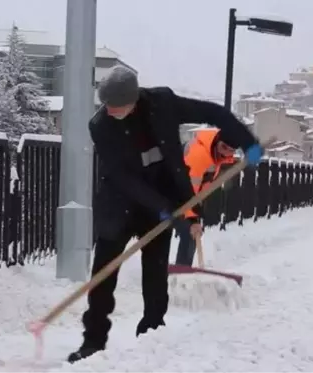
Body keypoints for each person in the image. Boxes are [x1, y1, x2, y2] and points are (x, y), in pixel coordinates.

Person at [67, 66, 263, 364]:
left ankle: (152, 334)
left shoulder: (163, 103)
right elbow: (121, 176)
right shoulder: (101, 126)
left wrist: (248, 143)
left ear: (134, 99)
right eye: (107, 105)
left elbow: (216, 114)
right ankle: (93, 340)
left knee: (156, 274)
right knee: (103, 276)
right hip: (120, 203)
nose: (111, 110)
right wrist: (163, 207)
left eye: (116, 106)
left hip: (162, 197)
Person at [174, 128, 237, 266]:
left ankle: (181, 272)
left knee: (191, 234)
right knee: (188, 233)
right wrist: (192, 219)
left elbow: (201, 190)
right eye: (223, 147)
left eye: (230, 150)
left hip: (185, 196)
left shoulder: (216, 157)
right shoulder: (199, 155)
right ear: (218, 142)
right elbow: (188, 190)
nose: (225, 153)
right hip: (169, 191)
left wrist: (196, 215)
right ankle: (179, 274)